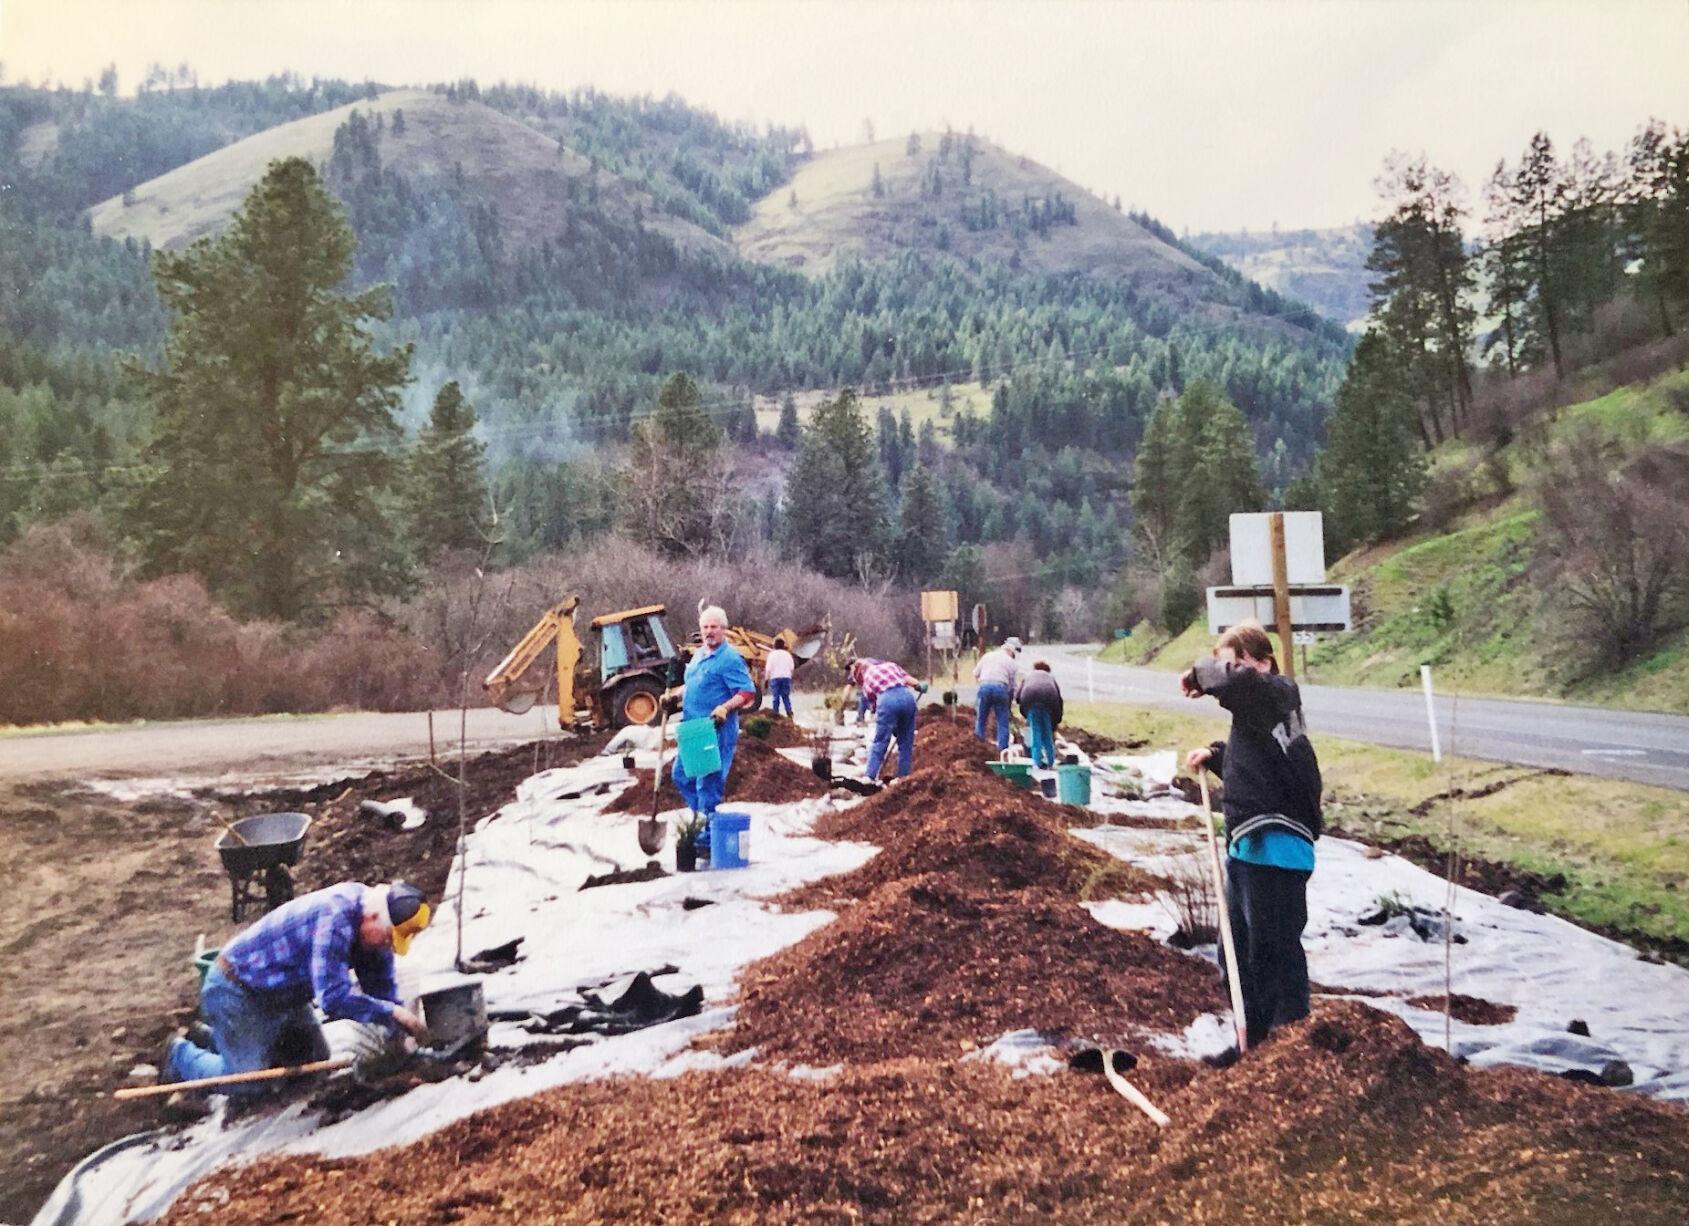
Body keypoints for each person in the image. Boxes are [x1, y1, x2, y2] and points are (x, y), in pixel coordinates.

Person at [1180, 619, 1322, 1048]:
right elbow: (1261, 764)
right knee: (1236, 951)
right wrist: (1217, 755)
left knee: (1274, 951)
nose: (1227, 679)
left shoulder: (1278, 692)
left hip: (1276, 845)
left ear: (1263, 663)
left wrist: (1199, 675)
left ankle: (1288, 1046)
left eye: (1234, 666)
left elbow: (1240, 687)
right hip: (1249, 843)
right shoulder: (1257, 711)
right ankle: (1254, 1043)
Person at [165, 881, 431, 1092]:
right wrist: (393, 1014)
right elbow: (334, 999)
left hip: (284, 997)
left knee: (316, 1063)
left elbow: (380, 987)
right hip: (238, 991)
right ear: (372, 917)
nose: (387, 945)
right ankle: (179, 1054)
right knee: (250, 1080)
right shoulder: (336, 919)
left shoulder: (374, 927)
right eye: (387, 938)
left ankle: (208, 1036)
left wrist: (400, 1038)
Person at [671, 604, 758, 822]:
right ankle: (700, 819)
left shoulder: (730, 658)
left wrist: (726, 707)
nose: (709, 631)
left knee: (708, 784)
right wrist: (674, 696)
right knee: (681, 776)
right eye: (705, 627)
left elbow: (748, 692)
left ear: (724, 629)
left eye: (714, 627)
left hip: (715, 730)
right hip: (693, 728)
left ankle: (707, 829)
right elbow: (693, 683)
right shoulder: (699, 655)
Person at [851, 657, 926, 779]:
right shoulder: (890, 665)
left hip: (887, 701)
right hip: (907, 697)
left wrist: (889, 726)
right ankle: (903, 777)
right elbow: (908, 679)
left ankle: (869, 777)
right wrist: (918, 686)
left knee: (880, 742)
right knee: (906, 742)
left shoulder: (867, 680)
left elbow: (875, 706)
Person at [973, 636, 1022, 751]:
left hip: (984, 686)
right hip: (1001, 688)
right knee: (1002, 721)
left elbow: (975, 673)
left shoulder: (987, 656)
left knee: (981, 718)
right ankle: (1002, 750)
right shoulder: (1012, 663)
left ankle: (978, 747)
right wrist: (1013, 700)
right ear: (1012, 651)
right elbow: (1013, 686)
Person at [1016, 660, 1064, 769]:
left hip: (1030, 701)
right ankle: (1051, 762)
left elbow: (1018, 696)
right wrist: (1056, 721)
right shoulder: (1051, 678)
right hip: (1048, 702)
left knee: (1035, 732)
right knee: (1047, 733)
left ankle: (1036, 762)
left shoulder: (1028, 677)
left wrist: (1024, 712)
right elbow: (1058, 700)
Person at [763, 636, 795, 718]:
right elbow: (792, 668)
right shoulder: (788, 655)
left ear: (775, 645)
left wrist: (766, 680)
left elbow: (768, 669)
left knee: (775, 697)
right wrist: (789, 677)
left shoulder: (772, 655)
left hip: (775, 678)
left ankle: (775, 713)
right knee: (785, 696)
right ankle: (789, 712)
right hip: (786, 677)